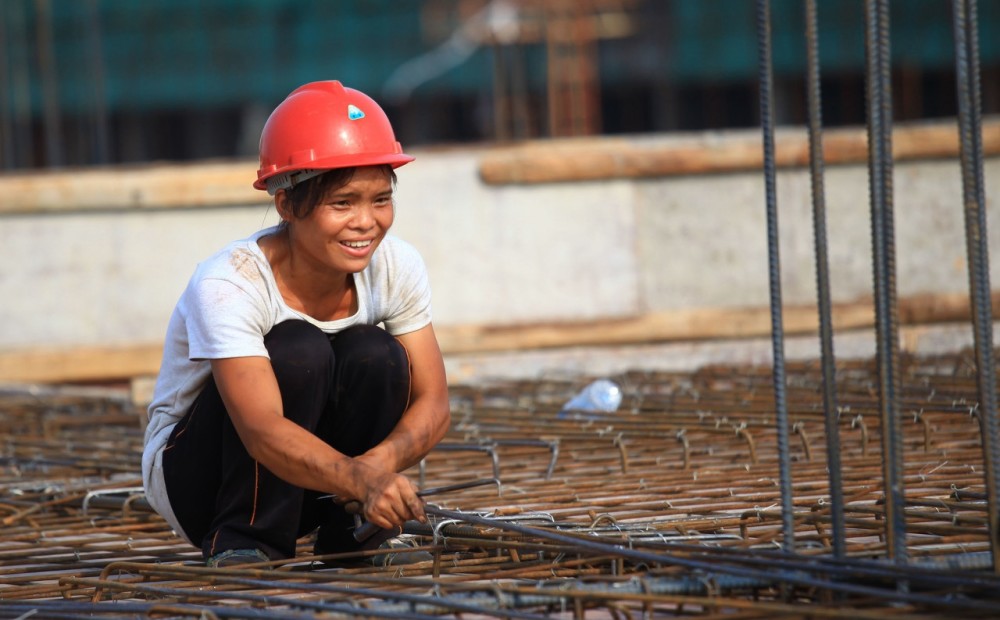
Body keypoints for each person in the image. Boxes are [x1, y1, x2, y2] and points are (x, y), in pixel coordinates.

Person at [141, 80, 451, 568]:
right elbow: (260, 428)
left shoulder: (396, 265)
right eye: (342, 202)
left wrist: (376, 468)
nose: (366, 222)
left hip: (320, 483)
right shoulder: (231, 281)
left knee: (377, 352)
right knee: (298, 350)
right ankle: (245, 540)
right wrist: (360, 479)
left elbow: (434, 400)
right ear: (286, 204)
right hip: (204, 486)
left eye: (380, 199)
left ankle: (353, 533)